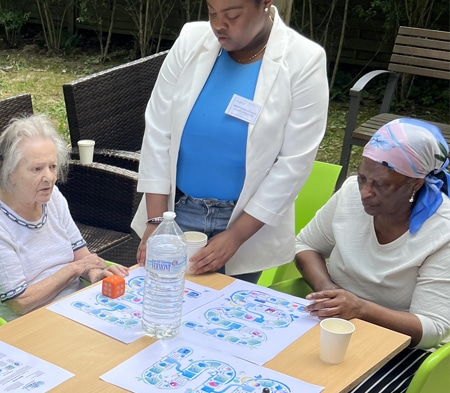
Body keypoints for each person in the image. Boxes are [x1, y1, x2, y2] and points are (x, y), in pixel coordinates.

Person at [132, 0, 329, 283]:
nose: (218, 25)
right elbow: (158, 130)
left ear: (265, 4)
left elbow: (294, 163)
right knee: (158, 302)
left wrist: (236, 236)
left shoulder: (304, 60)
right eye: (212, 12)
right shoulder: (191, 40)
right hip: (176, 211)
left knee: (221, 317)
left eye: (232, 15)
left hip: (245, 221)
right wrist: (156, 222)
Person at [296, 118, 450, 393]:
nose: (366, 193)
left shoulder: (442, 232)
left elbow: (432, 328)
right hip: (336, 325)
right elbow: (305, 245)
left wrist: (360, 308)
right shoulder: (350, 195)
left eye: (380, 185)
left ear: (414, 183)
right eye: (363, 178)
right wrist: (327, 289)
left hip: (402, 346)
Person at [0, 115, 129, 321]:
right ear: (9, 172)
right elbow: (20, 302)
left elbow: (80, 254)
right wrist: (76, 269)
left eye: (53, 167)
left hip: (75, 306)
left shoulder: (51, 196)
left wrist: (93, 273)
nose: (49, 178)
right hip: (32, 322)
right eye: (37, 169)